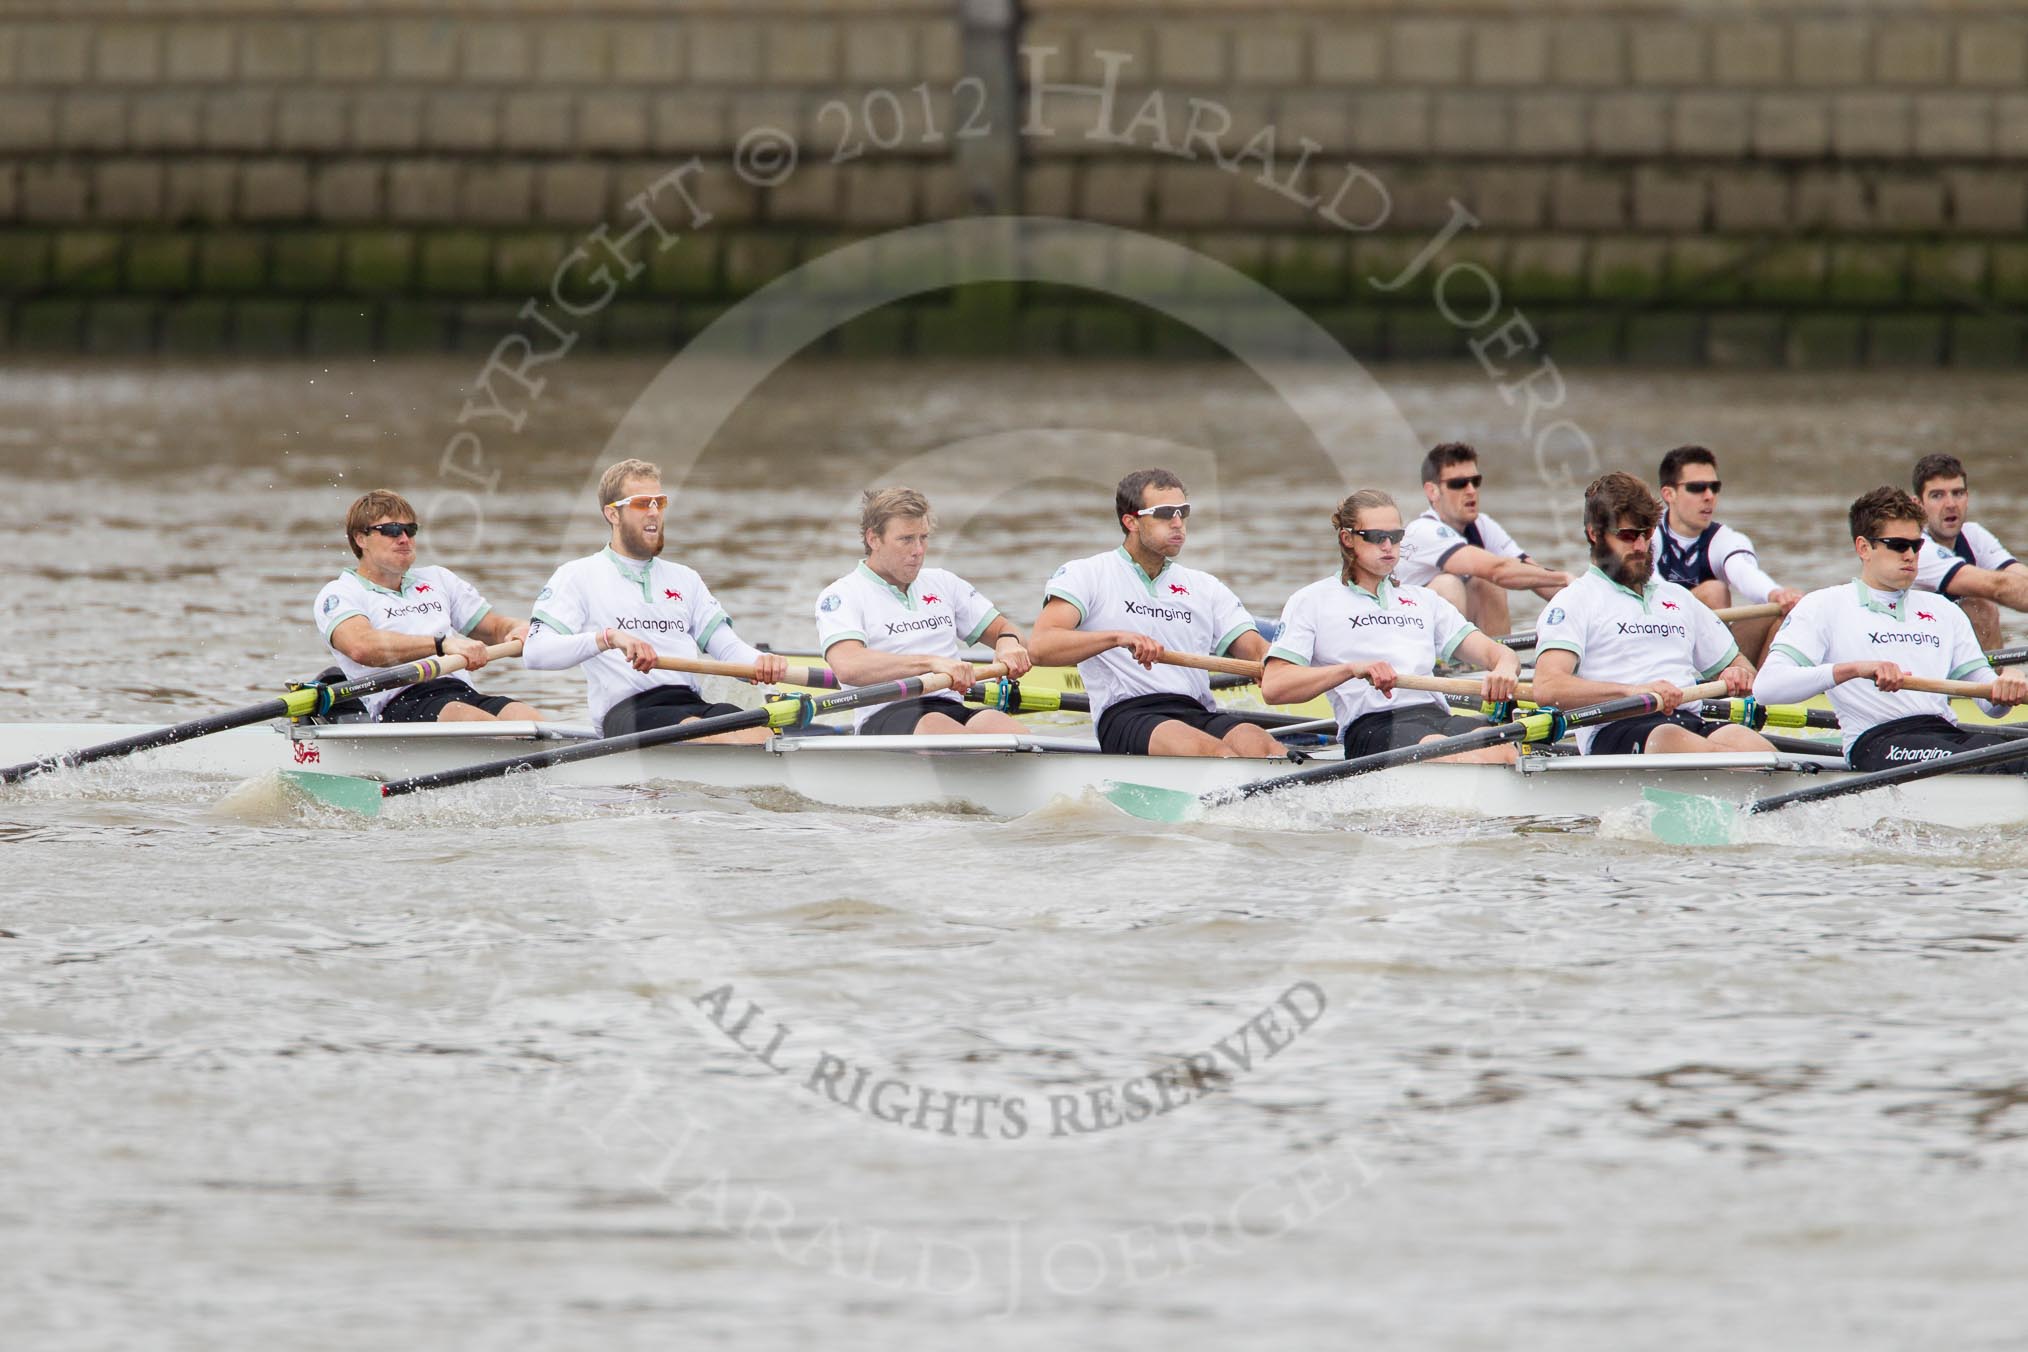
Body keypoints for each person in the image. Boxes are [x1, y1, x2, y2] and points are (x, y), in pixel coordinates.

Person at [1755, 486, 2027, 771]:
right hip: (1878, 741)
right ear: (1864, 548)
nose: (1910, 555)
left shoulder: (1944, 611)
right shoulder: (1823, 606)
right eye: (1898, 545)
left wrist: (2008, 682)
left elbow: (1990, 708)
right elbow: (1767, 687)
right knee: (2010, 761)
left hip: (1944, 733)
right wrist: (1854, 670)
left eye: (1916, 545)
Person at [523, 459, 786, 740]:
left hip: (690, 703)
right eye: (641, 503)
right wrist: (607, 639)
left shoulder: (685, 579)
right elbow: (536, 653)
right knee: (710, 733)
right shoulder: (577, 576)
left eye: (659, 503)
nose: (653, 512)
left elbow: (729, 649)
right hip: (628, 711)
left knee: (763, 734)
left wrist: (761, 663)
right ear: (613, 514)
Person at [1029, 468, 1281, 758]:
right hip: (1128, 714)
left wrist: (1277, 662)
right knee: (1216, 754)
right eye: (1164, 513)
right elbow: (1040, 647)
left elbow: (1255, 649)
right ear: (1131, 521)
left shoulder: (1205, 586)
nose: (1177, 523)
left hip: (1195, 711)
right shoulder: (1086, 574)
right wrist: (1117, 638)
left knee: (1264, 747)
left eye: (1182, 512)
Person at [1261, 489, 1523, 763]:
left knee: (1505, 751)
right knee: (1444, 752)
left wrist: (1504, 669)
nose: (1388, 546)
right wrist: (1351, 669)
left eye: (1396, 537)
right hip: (1372, 725)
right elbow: (1274, 686)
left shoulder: (1423, 600)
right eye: (1376, 537)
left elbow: (1498, 653)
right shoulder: (1311, 601)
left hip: (1435, 715)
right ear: (1347, 539)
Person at [1529, 473, 1772, 756]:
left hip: (1688, 722)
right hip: (1615, 729)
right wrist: (1633, 691)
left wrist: (1737, 673)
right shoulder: (1575, 601)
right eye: (1628, 536)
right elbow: (1547, 687)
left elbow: (1743, 667)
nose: (1641, 547)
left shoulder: (1677, 598)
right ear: (1595, 534)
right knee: (1667, 737)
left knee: (1741, 736)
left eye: (1646, 534)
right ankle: (1745, 781)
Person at [815, 487, 1035, 735]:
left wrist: (1008, 644)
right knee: (941, 729)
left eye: (924, 537)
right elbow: (848, 665)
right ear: (873, 539)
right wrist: (932, 663)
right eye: (906, 539)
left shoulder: (944, 583)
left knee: (1010, 732)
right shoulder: (842, 594)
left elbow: (1006, 629)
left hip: (949, 704)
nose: (918, 550)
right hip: (885, 714)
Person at [313, 489, 545, 723]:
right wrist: (442, 645)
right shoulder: (340, 593)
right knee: (470, 719)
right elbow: (361, 647)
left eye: (410, 530)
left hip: (460, 693)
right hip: (399, 702)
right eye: (392, 530)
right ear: (360, 538)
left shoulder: (438, 579)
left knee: (528, 719)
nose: (404, 538)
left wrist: (518, 628)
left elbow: (495, 627)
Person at [1394, 442, 1571, 637]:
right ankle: (1450, 664)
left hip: (1444, 632)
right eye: (1459, 483)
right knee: (1449, 585)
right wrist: (1563, 577)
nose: (1470, 490)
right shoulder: (1423, 530)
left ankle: (1495, 663)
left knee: (1487, 584)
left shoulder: (1482, 525)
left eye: (1475, 481)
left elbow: (1533, 575)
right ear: (1432, 491)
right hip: (1404, 636)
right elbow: (1498, 570)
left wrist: (1586, 598)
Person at [1650, 444, 1803, 665]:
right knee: (1714, 591)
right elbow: (1651, 585)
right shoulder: (1645, 536)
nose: (1709, 496)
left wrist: (1776, 594)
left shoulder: (1726, 539)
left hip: (1711, 650)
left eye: (1714, 487)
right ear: (1669, 494)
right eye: (1697, 487)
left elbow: (1743, 572)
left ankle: (1758, 692)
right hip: (1660, 642)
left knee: (1783, 611)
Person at [1911, 453, 2023, 650]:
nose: (1951, 504)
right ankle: (1990, 679)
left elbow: (2020, 577)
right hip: (1915, 648)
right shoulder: (1917, 547)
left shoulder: (1973, 535)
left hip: (1947, 648)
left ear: (1967, 497)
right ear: (1918, 505)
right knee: (1980, 608)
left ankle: (1993, 679)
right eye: (1937, 495)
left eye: (1958, 493)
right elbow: (1998, 587)